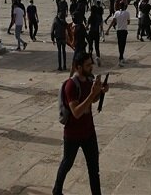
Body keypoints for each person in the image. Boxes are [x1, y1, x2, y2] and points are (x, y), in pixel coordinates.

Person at [53, 51, 108, 195]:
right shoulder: (71, 85)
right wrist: (92, 94)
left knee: (94, 169)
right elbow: (76, 112)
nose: (91, 68)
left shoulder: (89, 80)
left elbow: (92, 101)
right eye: (88, 65)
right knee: (67, 163)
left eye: (91, 64)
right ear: (78, 67)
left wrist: (100, 92)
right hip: (73, 134)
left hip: (89, 132)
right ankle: (57, 190)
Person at [105, 1, 130, 67]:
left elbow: (113, 22)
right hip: (124, 31)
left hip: (118, 31)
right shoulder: (127, 13)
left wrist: (108, 30)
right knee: (123, 44)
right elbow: (128, 22)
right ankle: (121, 58)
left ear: (119, 6)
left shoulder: (116, 13)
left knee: (119, 44)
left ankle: (121, 57)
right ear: (124, 6)